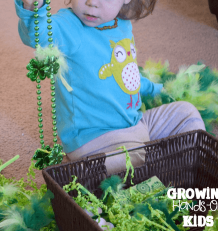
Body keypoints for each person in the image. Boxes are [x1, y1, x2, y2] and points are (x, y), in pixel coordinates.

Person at [15, 0, 206, 174]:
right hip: (94, 139)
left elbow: (125, 71)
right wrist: (33, 7)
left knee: (187, 113)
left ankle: (192, 167)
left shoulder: (122, 24)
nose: (91, 3)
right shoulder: (70, 25)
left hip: (134, 124)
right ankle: (88, 173)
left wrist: (153, 88)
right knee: (134, 158)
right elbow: (38, 35)